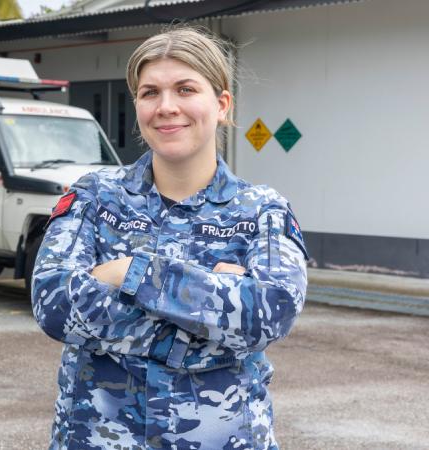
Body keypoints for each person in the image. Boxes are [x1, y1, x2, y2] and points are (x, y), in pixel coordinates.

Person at [31, 26, 308, 450]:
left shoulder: (261, 210)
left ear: (221, 104)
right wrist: (213, 310)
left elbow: (268, 313)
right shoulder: (93, 196)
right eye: (149, 93)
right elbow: (53, 302)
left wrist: (130, 272)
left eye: (185, 89)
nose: (166, 107)